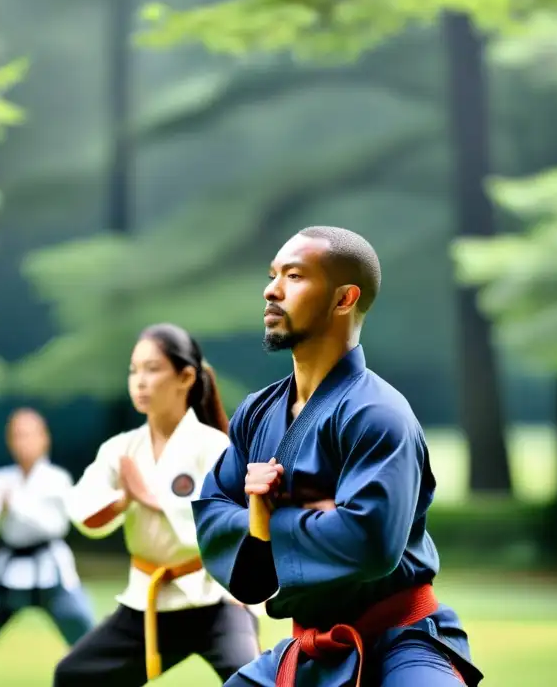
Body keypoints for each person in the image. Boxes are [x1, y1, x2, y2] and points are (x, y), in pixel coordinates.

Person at [192, 226, 483, 687]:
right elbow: (213, 512)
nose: (272, 290)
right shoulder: (256, 412)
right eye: (273, 276)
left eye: (294, 276)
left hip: (401, 643)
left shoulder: (379, 413)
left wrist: (270, 524)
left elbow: (370, 542)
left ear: (344, 298)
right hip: (308, 649)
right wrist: (296, 518)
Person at [54, 323, 260, 687]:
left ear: (185, 377)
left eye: (152, 369)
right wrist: (122, 501)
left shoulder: (212, 446)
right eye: (134, 371)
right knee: (73, 675)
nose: (140, 381)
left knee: (252, 681)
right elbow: (82, 507)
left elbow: (226, 522)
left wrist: (150, 497)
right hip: (149, 601)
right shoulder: (121, 449)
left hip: (213, 599)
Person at [0, 408, 94, 687]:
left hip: (51, 570)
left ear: (44, 439)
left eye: (29, 435)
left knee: (80, 619)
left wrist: (14, 504)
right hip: (9, 570)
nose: (24, 442)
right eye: (17, 435)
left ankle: (96, 675)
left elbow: (54, 524)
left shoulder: (56, 479)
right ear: (10, 441)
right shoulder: (0, 480)